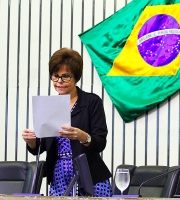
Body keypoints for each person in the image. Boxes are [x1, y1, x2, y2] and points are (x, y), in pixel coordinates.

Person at [22, 48, 112, 197]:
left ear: (76, 77)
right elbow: (41, 146)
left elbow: (100, 142)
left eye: (65, 76)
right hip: (59, 175)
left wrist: (83, 136)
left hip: (89, 173)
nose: (59, 82)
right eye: (55, 76)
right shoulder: (49, 105)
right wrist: (31, 141)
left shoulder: (91, 102)